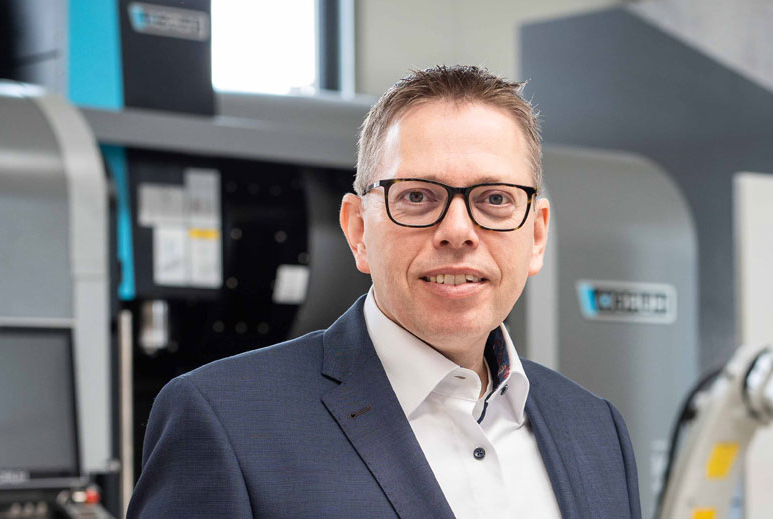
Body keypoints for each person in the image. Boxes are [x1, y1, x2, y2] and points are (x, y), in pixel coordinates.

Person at [127, 65, 641, 519]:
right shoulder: (226, 422)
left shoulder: (596, 431)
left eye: (495, 198)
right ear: (357, 229)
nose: (458, 230)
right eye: (417, 196)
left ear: (536, 235)